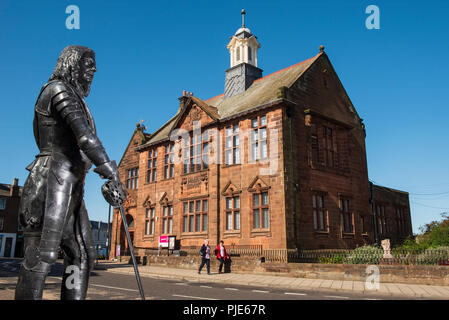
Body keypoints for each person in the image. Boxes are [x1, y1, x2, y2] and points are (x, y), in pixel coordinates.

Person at [15, 45, 125, 300]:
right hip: (49, 183)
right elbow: (85, 137)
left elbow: (83, 148)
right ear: (72, 64)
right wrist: (111, 172)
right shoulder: (58, 90)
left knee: (81, 254)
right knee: (40, 259)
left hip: (71, 187)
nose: (94, 70)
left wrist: (102, 173)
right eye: (88, 64)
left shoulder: (77, 99)